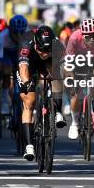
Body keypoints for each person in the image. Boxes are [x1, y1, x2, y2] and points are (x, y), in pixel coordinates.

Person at [17, 25, 66, 161]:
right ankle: (29, 146)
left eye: (47, 49)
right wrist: (27, 83)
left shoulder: (57, 45)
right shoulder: (26, 43)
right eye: (41, 49)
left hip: (48, 64)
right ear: (36, 44)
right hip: (30, 63)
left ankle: (57, 111)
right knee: (29, 101)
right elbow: (23, 68)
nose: (44, 53)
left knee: (57, 76)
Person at [64, 18, 94, 140]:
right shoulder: (75, 38)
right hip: (78, 62)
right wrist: (70, 77)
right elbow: (68, 62)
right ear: (82, 35)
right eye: (88, 37)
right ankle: (75, 123)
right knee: (75, 94)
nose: (91, 39)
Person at [0, 15, 28, 116]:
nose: (18, 35)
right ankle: (4, 102)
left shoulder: (28, 35)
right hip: (7, 54)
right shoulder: (2, 37)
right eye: (15, 32)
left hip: (20, 53)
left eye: (21, 33)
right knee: (6, 72)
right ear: (9, 30)